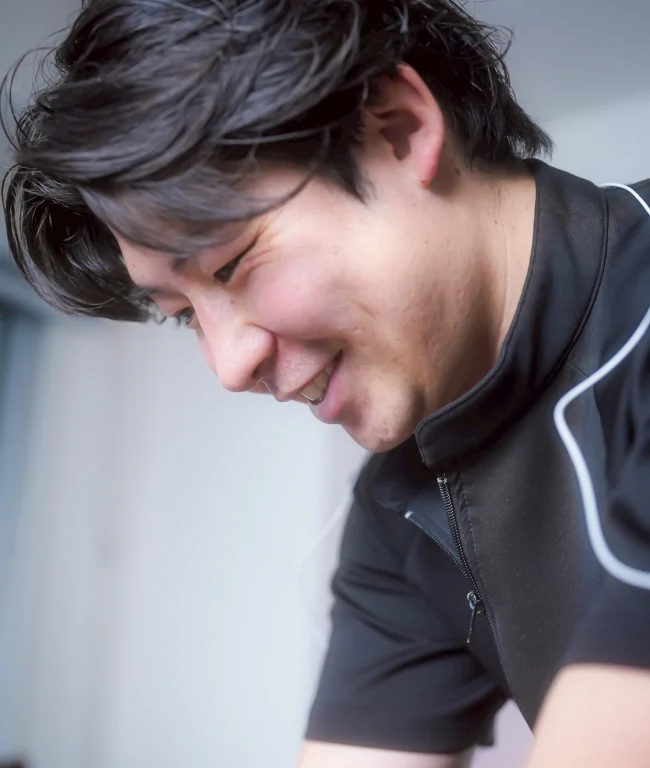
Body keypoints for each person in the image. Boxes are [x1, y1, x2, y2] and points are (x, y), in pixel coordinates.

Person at [3, 1, 650, 765]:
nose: (228, 367)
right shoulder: (400, 506)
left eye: (230, 264)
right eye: (183, 317)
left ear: (400, 128)